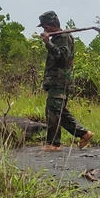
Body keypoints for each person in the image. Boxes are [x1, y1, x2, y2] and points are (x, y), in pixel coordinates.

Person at [37, 10, 93, 152]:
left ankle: (53, 144)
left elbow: (63, 57)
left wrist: (47, 43)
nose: (44, 30)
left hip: (61, 81)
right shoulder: (57, 38)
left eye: (45, 27)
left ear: (51, 25)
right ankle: (83, 133)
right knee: (58, 111)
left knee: (54, 112)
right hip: (55, 81)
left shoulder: (64, 37)